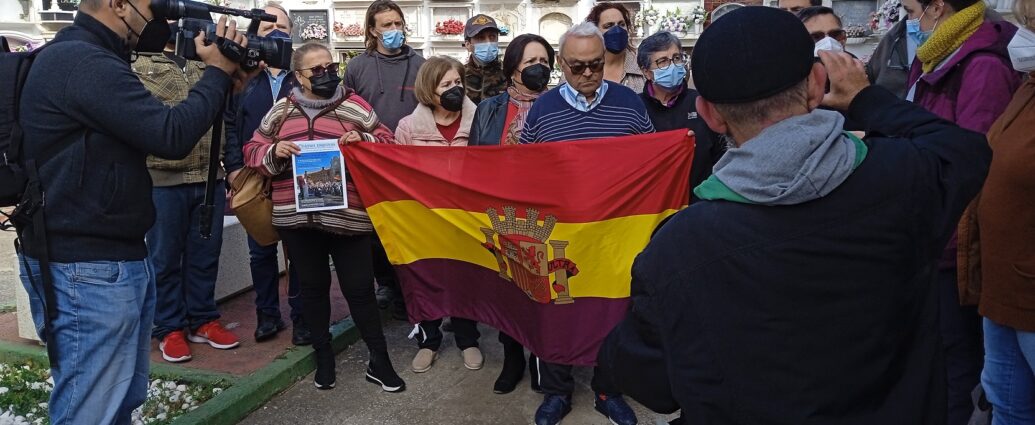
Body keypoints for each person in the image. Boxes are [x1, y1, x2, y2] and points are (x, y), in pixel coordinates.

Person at [598, 6, 992, 424]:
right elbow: (966, 151)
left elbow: (650, 384)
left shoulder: (678, 248)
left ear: (711, 115)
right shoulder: (902, 178)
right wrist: (865, 97)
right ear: (818, 84)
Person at [16, 0, 253, 421]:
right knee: (92, 409)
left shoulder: (95, 57)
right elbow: (170, 134)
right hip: (84, 266)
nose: (165, 16)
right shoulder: (82, 61)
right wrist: (216, 71)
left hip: (103, 258)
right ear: (119, 5)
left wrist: (223, 82)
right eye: (153, 5)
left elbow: (159, 122)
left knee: (118, 402)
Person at [243, 42, 405, 392]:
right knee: (312, 291)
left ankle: (380, 361)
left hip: (349, 219)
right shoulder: (282, 111)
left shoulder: (354, 105)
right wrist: (275, 151)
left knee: (360, 291)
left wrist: (362, 139)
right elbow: (252, 150)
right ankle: (324, 358)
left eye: (330, 67)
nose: (326, 74)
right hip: (298, 223)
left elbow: (388, 142)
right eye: (316, 70)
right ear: (299, 77)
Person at [519, 22, 651, 425]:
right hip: (560, 235)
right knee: (555, 310)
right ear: (561, 64)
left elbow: (650, 162)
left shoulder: (630, 104)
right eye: (578, 67)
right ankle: (557, 391)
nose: (589, 73)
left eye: (596, 64)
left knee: (613, 311)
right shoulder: (543, 109)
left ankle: (608, 389)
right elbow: (523, 171)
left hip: (614, 236)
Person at [903, 0, 1022, 421]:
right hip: (933, 236)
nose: (908, 20)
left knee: (958, 371)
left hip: (956, 245)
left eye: (910, 8)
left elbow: (973, 160)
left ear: (937, 7)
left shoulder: (982, 65)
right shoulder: (935, 55)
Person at [136, 26, 241, 363]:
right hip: (161, 178)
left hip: (210, 176)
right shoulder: (136, 63)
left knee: (205, 254)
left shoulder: (209, 62)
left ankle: (203, 319)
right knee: (164, 258)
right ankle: (168, 327)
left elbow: (227, 116)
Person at [467, 33, 555, 395]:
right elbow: (473, 160)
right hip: (501, 212)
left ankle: (542, 357)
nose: (539, 68)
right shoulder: (489, 108)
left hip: (547, 212)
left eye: (545, 61)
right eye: (531, 62)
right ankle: (512, 356)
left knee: (543, 287)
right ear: (513, 69)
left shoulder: (558, 105)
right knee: (507, 285)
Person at [389, 56, 485, 374]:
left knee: (465, 279)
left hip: (466, 221)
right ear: (430, 90)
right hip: (424, 222)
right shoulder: (408, 128)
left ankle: (467, 339)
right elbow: (396, 176)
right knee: (427, 280)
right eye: (446, 84)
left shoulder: (480, 121)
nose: (455, 89)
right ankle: (428, 342)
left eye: (458, 82)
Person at [223, 1, 310, 346]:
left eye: (283, 28)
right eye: (267, 27)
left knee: (299, 251)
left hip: (297, 177)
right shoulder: (242, 78)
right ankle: (267, 316)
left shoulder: (302, 77)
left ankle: (302, 316)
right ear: (254, 35)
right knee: (260, 251)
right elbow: (230, 125)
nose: (276, 33)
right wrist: (232, 169)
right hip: (254, 178)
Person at [345, 0, 425, 321]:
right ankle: (387, 284)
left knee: (410, 226)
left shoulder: (421, 63)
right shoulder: (357, 67)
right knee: (376, 228)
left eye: (397, 23)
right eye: (386, 25)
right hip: (372, 160)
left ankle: (412, 291)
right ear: (372, 30)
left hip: (411, 161)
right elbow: (347, 110)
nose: (394, 30)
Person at [976, 0, 1035, 422]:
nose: (1022, 34)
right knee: (1008, 407)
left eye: (1029, 24)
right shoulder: (1029, 85)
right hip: (1004, 290)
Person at [635, 31, 725, 203]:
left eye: (676, 58)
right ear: (646, 72)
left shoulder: (702, 103)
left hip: (701, 203)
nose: (672, 65)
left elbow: (722, 155)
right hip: (653, 208)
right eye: (662, 62)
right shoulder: (635, 108)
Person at [867, 7, 1003, 98]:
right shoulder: (897, 37)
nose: (909, 21)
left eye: (911, 11)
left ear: (937, 8)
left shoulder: (985, 61)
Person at [585, 2, 645, 93]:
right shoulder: (580, 67)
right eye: (609, 26)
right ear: (595, 32)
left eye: (621, 24)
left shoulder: (642, 67)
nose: (617, 30)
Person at [462, 14, 506, 104]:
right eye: (480, 38)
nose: (488, 42)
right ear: (468, 45)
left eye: (492, 37)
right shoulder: (459, 75)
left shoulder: (509, 73)